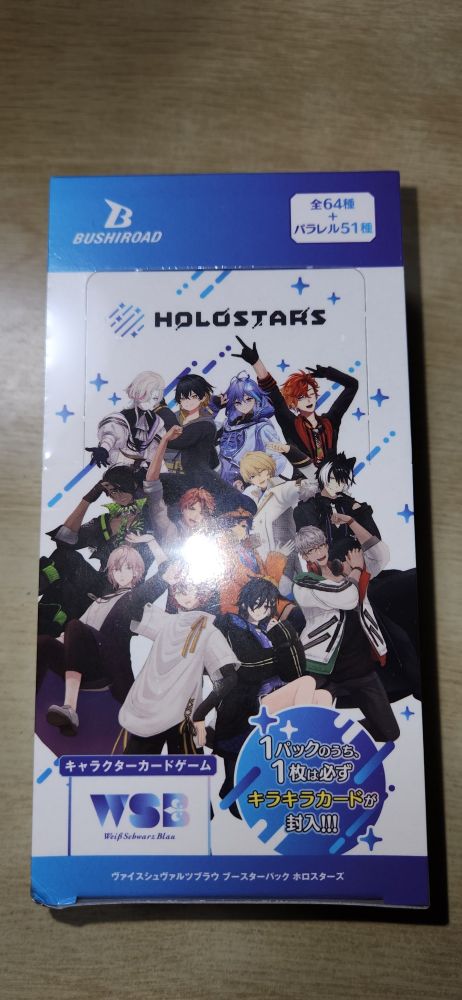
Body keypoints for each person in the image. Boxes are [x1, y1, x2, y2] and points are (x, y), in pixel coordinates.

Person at [206, 578, 332, 808]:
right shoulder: (233, 626)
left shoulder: (270, 629)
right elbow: (250, 666)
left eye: (267, 605)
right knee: (306, 683)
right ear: (246, 602)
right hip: (250, 701)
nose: (262, 610)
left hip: (273, 695)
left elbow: (294, 671)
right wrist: (280, 655)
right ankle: (298, 752)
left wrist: (284, 635)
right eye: (257, 603)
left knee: (323, 697)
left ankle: (305, 755)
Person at [40, 535, 168, 733]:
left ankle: (70, 708)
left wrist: (151, 541)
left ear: (137, 571)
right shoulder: (100, 601)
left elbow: (166, 571)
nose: (122, 574)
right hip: (84, 661)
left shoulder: (136, 598)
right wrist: (57, 643)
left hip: (107, 667)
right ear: (111, 572)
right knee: (44, 642)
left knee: (74, 626)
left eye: (128, 568)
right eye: (117, 569)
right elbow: (73, 632)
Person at [293, 524, 400, 743]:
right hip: (322, 668)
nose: (319, 551)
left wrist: (351, 521)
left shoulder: (343, 569)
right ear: (304, 556)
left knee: (389, 732)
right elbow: (348, 598)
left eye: (321, 545)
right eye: (312, 549)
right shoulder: (304, 584)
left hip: (359, 667)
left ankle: (337, 736)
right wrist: (357, 570)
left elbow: (381, 556)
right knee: (305, 733)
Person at [119, 568, 239, 755]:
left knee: (189, 771)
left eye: (193, 588)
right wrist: (161, 580)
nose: (186, 594)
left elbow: (230, 677)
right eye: (181, 589)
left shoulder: (209, 631)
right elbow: (129, 609)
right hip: (150, 711)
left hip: (184, 716)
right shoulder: (166, 622)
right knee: (133, 769)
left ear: (203, 593)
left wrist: (201, 713)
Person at [38, 465, 154, 635]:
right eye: (112, 491)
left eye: (121, 489)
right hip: (99, 583)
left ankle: (56, 623)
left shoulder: (150, 518)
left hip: (123, 591)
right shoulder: (106, 521)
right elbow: (65, 540)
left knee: (72, 591)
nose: (118, 495)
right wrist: (88, 499)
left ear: (133, 485)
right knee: (65, 557)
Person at [231, 335, 358, 469]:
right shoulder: (290, 423)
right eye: (301, 397)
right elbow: (273, 392)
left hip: (333, 479)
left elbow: (352, 385)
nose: (308, 399)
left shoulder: (330, 421)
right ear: (293, 402)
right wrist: (256, 362)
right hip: (303, 480)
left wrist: (327, 373)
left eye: (311, 394)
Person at [239, 450, 318, 593]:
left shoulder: (280, 489)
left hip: (288, 556)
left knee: (301, 591)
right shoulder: (251, 497)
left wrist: (302, 484)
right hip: (268, 562)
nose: (259, 477)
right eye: (253, 476)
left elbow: (309, 486)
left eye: (261, 471)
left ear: (268, 467)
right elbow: (256, 531)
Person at [294, 451, 381, 558]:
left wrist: (360, 514)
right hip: (324, 562)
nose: (337, 485)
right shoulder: (307, 508)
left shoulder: (350, 505)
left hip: (355, 558)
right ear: (323, 476)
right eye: (332, 479)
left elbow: (375, 542)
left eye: (342, 481)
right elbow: (306, 548)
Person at [86, 370, 177, 471]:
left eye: (155, 398)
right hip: (121, 469)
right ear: (137, 393)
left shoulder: (155, 421)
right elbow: (110, 436)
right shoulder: (121, 417)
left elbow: (155, 452)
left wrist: (159, 472)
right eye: (146, 396)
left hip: (145, 471)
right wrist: (103, 449)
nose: (150, 402)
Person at [211, 371, 291, 484]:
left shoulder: (262, 428)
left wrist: (255, 479)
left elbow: (278, 459)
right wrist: (214, 407)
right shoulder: (227, 425)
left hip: (250, 485)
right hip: (220, 482)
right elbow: (201, 431)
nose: (244, 405)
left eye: (248, 399)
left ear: (257, 399)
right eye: (238, 402)